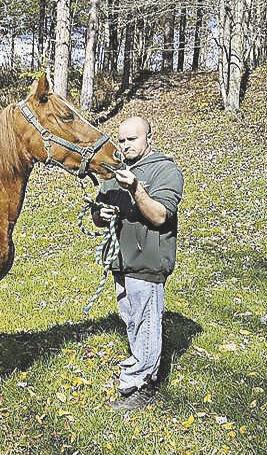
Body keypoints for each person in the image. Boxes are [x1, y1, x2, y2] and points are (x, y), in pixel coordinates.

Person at [91, 116, 184, 412]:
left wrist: (136, 189)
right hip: (120, 259)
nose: (126, 145)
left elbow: (159, 216)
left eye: (132, 139)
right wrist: (100, 214)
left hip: (147, 261)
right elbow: (98, 210)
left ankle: (143, 384)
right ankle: (141, 364)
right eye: (122, 140)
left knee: (145, 320)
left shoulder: (165, 171)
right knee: (131, 317)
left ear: (148, 139)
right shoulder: (114, 172)